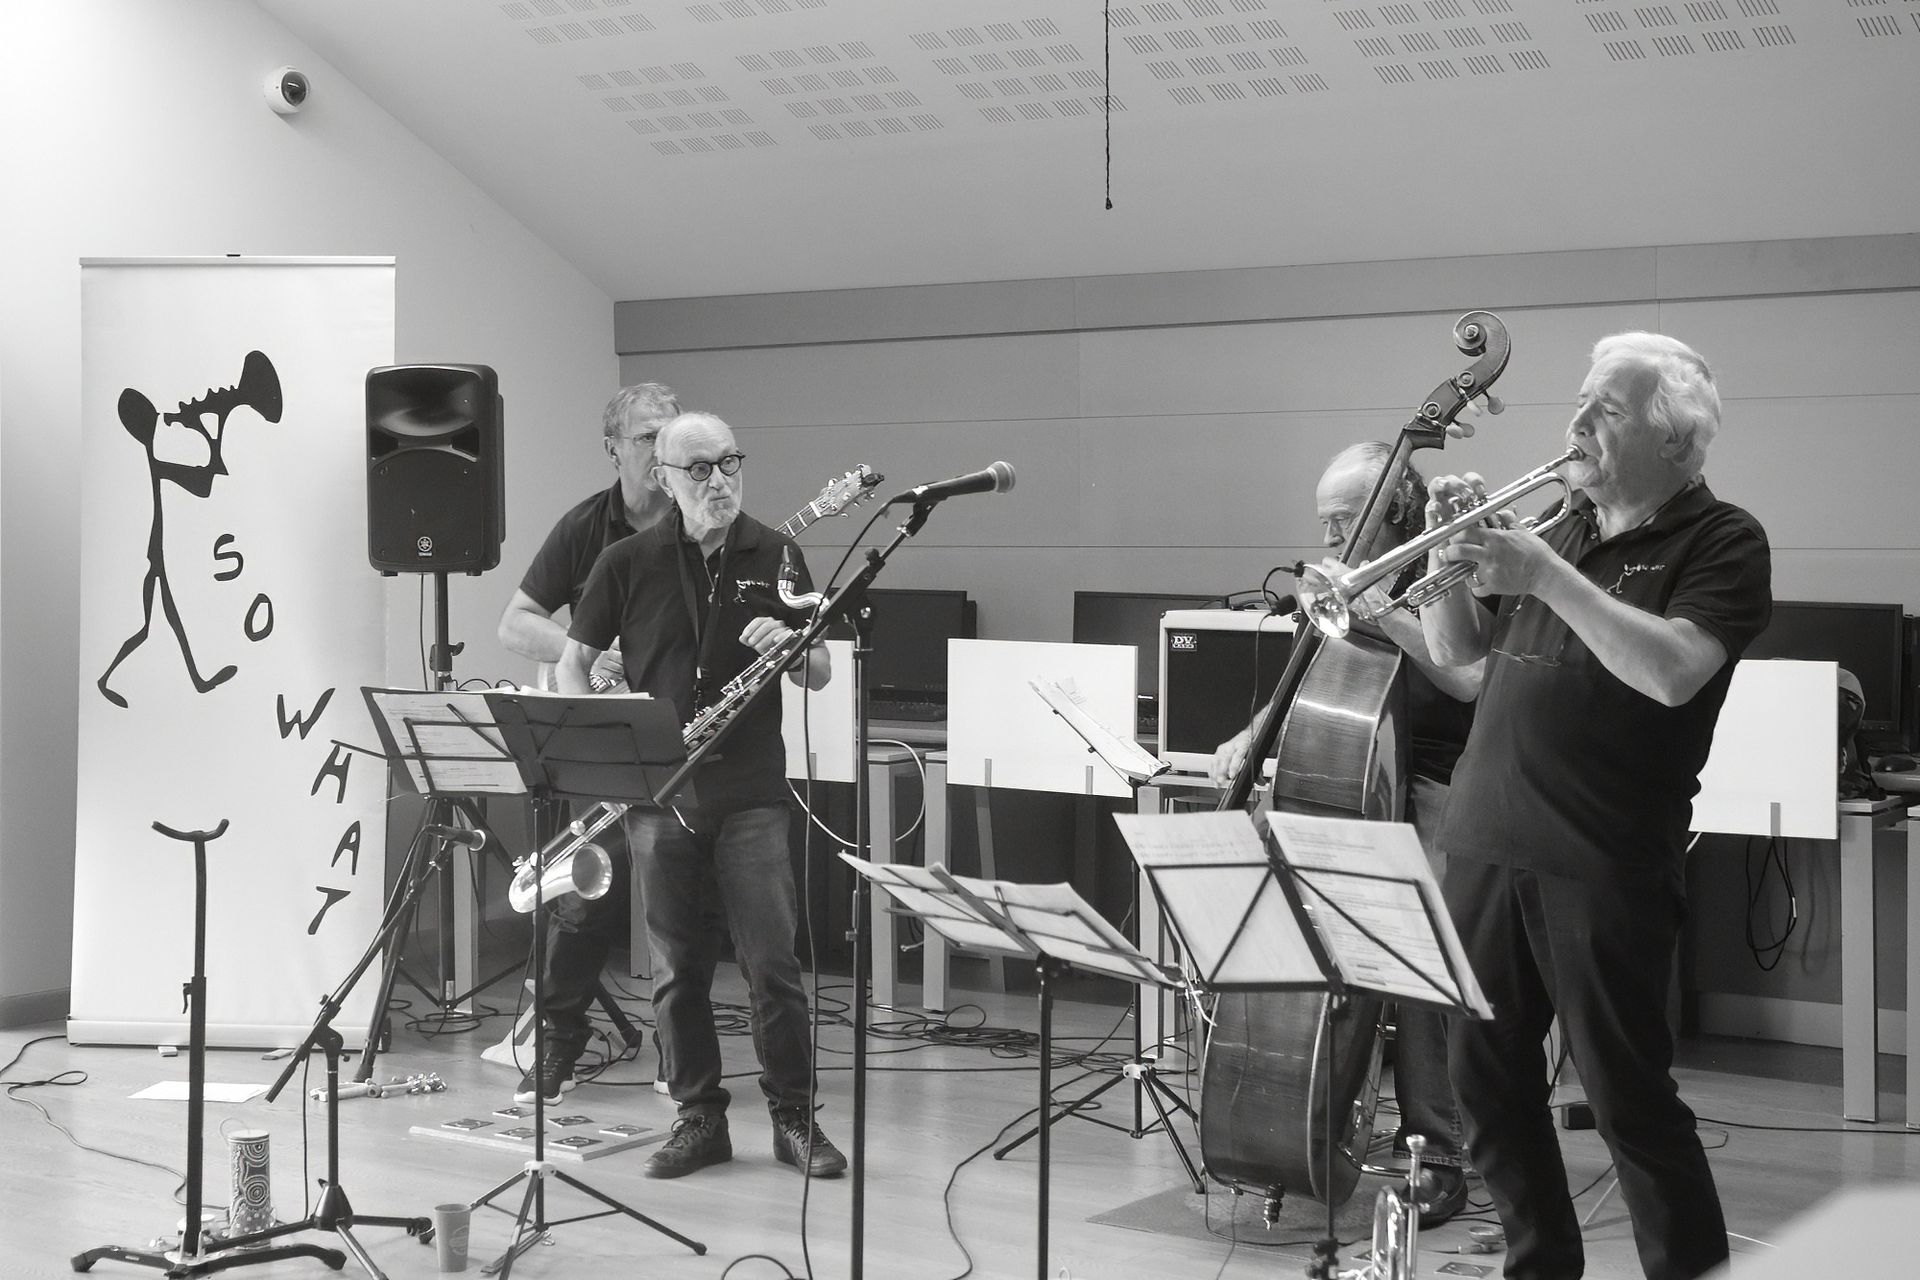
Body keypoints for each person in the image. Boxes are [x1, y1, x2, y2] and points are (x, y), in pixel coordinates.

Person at [1419, 333, 1768, 1280]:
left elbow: (1673, 671)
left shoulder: (1723, 539)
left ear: (1675, 441)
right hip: (1485, 841)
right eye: (1580, 402)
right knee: (1483, 1085)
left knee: (1627, 1102)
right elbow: (1458, 655)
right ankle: (1539, 1266)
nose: (1575, 423)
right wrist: (1453, 563)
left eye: (1605, 410)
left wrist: (1542, 573)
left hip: (1601, 858)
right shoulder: (1563, 524)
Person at [556, 410, 846, 1180]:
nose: (720, 481)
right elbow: (574, 661)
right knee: (677, 968)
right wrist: (600, 744)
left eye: (730, 463)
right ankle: (699, 1119)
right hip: (661, 795)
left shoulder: (776, 553)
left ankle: (793, 1118)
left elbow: (819, 672)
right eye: (700, 469)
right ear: (663, 477)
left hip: (750, 790)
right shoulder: (626, 561)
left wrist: (793, 649)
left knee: (771, 965)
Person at [1210, 441, 1480, 1227]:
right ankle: (1299, 1126)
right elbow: (1309, 678)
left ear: (1393, 509)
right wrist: (1251, 734)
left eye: (1342, 520)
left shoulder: (1445, 564)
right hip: (1355, 779)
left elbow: (1470, 678)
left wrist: (1386, 612)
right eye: (1324, 522)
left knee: (1416, 961)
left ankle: (1441, 1154)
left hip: (1440, 781)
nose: (1329, 537)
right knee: (1309, 945)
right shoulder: (1339, 578)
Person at [496, 382, 680, 1104]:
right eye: (646, 437)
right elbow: (515, 623)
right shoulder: (583, 527)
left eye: (670, 435)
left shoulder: (699, 520)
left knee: (676, 894)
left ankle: (680, 1054)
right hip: (601, 736)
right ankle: (558, 1047)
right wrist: (590, 651)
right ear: (613, 449)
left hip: (681, 732)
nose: (662, 451)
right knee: (582, 891)